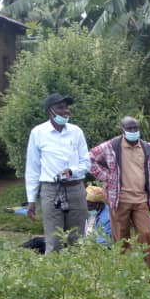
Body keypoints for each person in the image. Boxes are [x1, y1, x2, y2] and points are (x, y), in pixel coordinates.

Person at [90, 116, 150, 267]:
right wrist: (107, 176)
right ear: (122, 130)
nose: (133, 131)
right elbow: (90, 159)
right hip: (119, 199)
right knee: (122, 239)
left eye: (136, 128)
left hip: (141, 199)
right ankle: (123, 272)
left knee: (146, 234)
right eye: (130, 129)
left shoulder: (148, 148)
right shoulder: (111, 146)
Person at [24, 93, 90, 253]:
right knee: (54, 240)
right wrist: (31, 200)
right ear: (50, 111)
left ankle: (78, 275)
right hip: (51, 190)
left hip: (76, 189)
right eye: (60, 107)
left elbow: (87, 163)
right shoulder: (38, 133)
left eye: (66, 107)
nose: (65, 111)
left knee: (77, 238)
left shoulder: (76, 132)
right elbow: (32, 168)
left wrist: (72, 171)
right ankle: (53, 276)